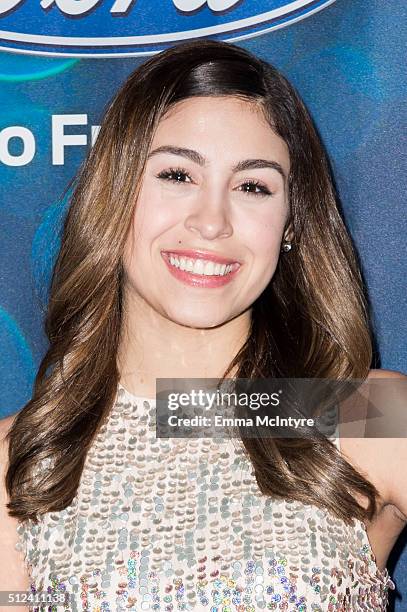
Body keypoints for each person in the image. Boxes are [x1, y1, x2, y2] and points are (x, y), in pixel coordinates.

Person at [0, 39, 406, 611]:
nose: (211, 221)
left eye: (252, 186)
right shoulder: (18, 457)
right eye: (177, 175)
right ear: (114, 195)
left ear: (290, 224)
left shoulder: (363, 413)